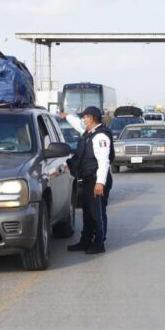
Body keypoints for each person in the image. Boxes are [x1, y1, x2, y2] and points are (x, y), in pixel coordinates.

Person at [60, 106, 115, 255]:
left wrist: (100, 183)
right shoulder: (89, 132)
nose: (83, 120)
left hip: (97, 180)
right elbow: (78, 124)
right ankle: (85, 241)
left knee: (97, 213)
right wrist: (67, 116)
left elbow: (104, 162)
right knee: (87, 213)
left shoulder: (100, 137)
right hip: (88, 179)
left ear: (91, 119)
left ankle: (99, 243)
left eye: (84, 117)